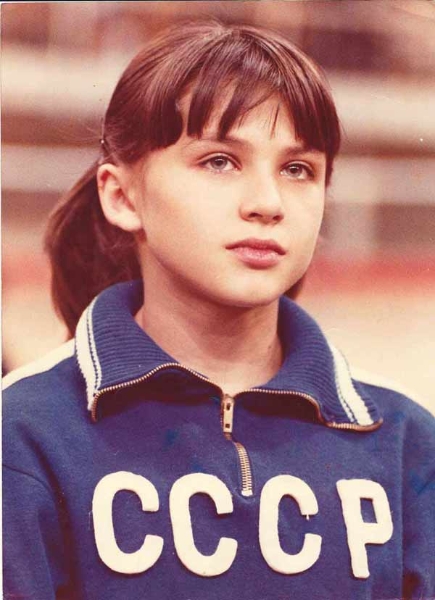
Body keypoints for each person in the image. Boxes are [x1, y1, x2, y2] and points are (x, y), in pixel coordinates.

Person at [3, 20, 434, 600]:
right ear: (122, 196)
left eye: (298, 169)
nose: (267, 203)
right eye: (219, 161)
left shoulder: (406, 441)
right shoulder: (23, 433)